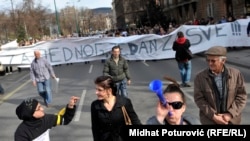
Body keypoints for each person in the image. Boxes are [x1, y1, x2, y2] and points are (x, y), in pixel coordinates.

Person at [194, 46, 247, 125]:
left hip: (231, 120)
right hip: (210, 120)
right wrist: (214, 116)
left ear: (223, 61)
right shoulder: (200, 77)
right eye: (208, 60)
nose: (210, 63)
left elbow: (241, 96)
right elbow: (199, 99)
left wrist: (229, 114)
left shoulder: (236, 74)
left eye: (213, 61)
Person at [91, 75, 141, 141]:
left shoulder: (124, 102)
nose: (96, 92)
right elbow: (95, 129)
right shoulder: (95, 105)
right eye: (96, 89)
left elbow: (135, 121)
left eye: (99, 90)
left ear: (109, 90)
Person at [15, 96, 80, 141]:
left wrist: (70, 106)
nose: (42, 109)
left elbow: (64, 120)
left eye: (40, 106)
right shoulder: (21, 133)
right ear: (31, 114)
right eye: (39, 108)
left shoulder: (46, 119)